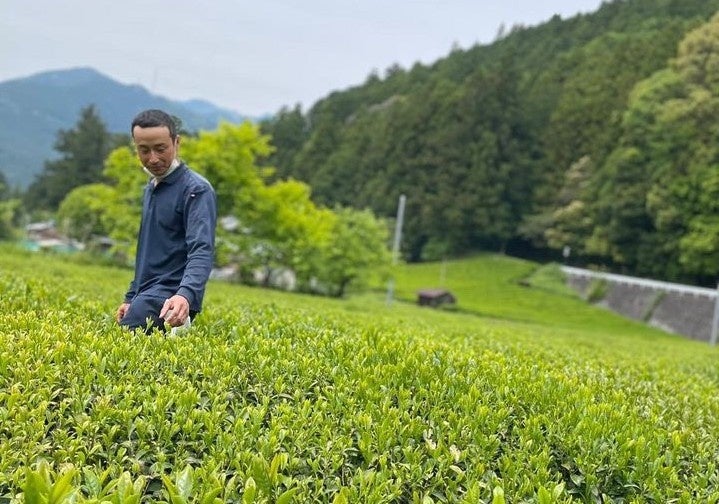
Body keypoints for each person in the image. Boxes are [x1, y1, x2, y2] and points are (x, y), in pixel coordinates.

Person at [115, 109, 217, 332]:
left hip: (171, 297)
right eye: (144, 150)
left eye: (160, 149)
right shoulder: (151, 188)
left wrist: (185, 295)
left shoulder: (196, 190)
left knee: (127, 334)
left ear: (176, 142)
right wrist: (131, 297)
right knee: (122, 329)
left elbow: (202, 249)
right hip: (147, 292)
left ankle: (182, 323)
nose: (153, 158)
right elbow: (147, 251)